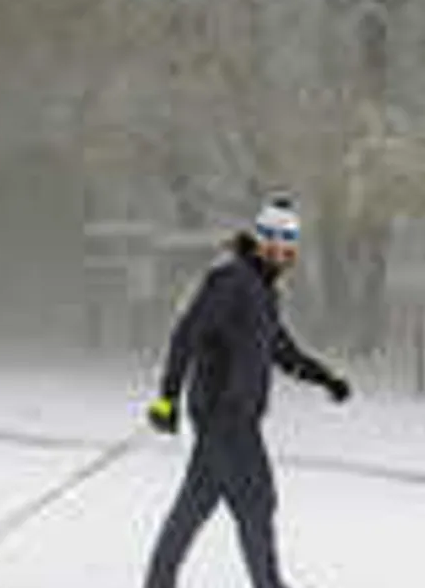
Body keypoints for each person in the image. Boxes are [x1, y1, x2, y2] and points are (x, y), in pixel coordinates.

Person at [143, 195, 351, 588]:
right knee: (257, 501)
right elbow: (186, 334)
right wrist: (166, 398)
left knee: (196, 504)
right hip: (225, 416)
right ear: (257, 240)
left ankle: (158, 582)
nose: (280, 251)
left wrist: (325, 378)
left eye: (288, 244)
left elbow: (281, 350)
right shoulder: (230, 280)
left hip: (232, 418)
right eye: (272, 240)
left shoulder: (262, 291)